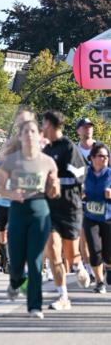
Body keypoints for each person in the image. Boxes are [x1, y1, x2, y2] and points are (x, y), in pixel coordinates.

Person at [0, 119, 60, 318]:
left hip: (40, 209)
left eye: (33, 131)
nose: (30, 135)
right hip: (18, 210)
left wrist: (54, 187)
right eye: (26, 132)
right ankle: (15, 281)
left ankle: (35, 306)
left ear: (40, 135)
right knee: (16, 261)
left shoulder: (48, 161)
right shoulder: (11, 161)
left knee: (35, 260)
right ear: (21, 137)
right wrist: (12, 194)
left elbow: (54, 192)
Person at [41, 109, 89, 311]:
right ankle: (63, 297)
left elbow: (80, 175)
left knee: (70, 254)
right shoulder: (45, 151)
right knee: (53, 250)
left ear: (51, 125)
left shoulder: (68, 147)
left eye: (43, 124)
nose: (41, 128)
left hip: (69, 206)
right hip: (49, 208)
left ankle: (78, 265)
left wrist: (56, 180)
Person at [82, 142, 111, 293]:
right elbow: (77, 188)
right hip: (90, 216)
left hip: (108, 217)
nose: (104, 158)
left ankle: (109, 266)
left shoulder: (110, 173)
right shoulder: (85, 173)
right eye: (101, 156)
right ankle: (99, 282)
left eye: (106, 156)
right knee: (94, 249)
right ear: (92, 158)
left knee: (108, 253)